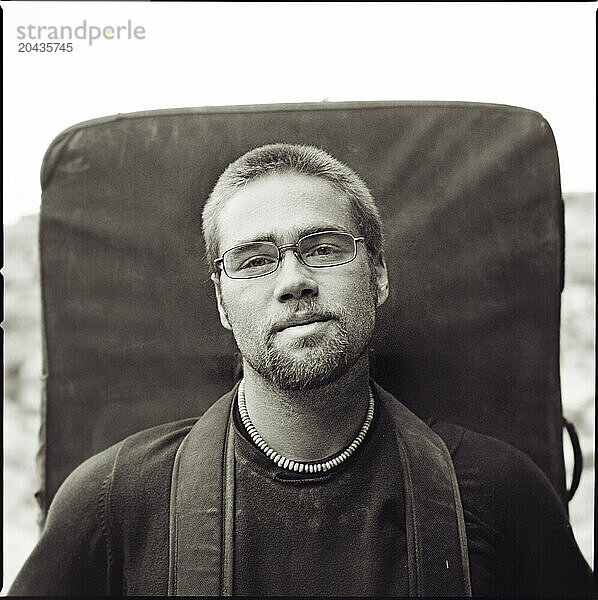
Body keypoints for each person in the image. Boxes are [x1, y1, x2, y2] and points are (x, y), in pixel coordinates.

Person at [9, 144, 595, 597]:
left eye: (324, 247)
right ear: (220, 303)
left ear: (379, 275)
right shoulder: (114, 500)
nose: (294, 280)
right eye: (256, 260)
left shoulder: (500, 491)